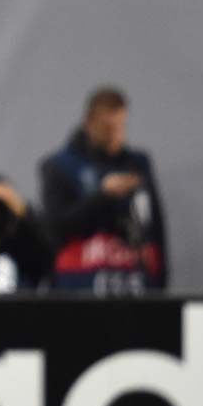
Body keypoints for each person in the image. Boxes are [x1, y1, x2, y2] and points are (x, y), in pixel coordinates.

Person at [39, 86, 168, 295]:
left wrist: (160, 284)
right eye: (108, 128)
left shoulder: (137, 165)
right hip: (79, 288)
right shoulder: (60, 167)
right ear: (89, 125)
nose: (117, 136)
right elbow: (55, 229)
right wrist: (102, 196)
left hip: (135, 285)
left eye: (121, 126)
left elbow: (156, 227)